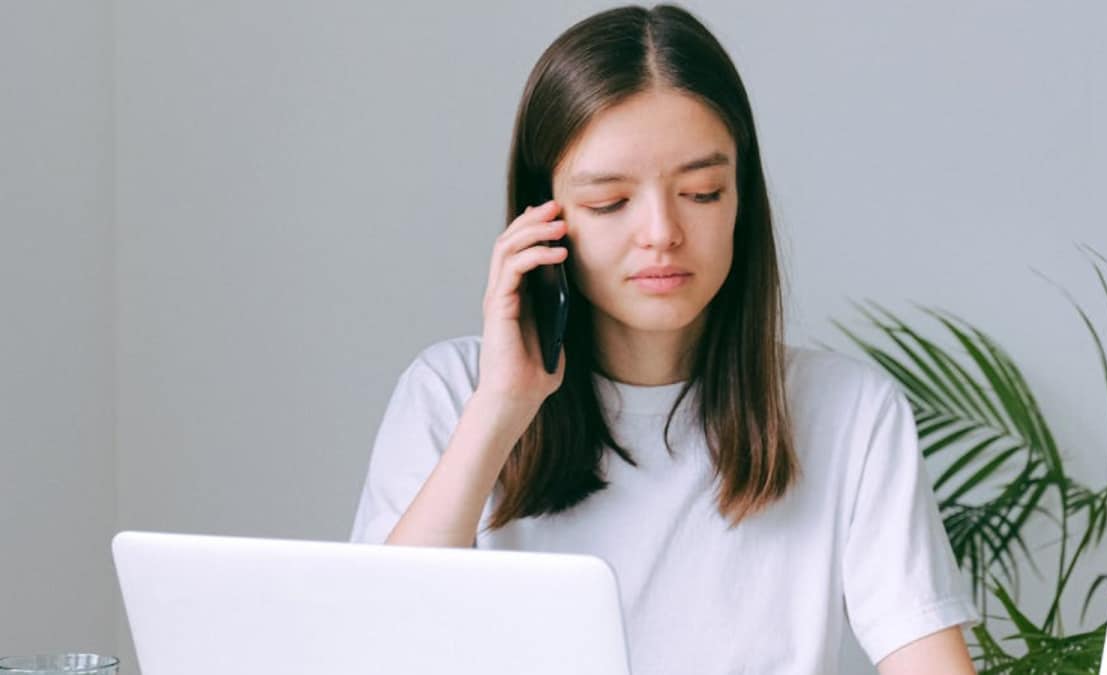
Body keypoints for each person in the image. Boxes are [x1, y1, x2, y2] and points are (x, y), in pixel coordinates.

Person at [350, 5, 979, 673]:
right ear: (542, 219)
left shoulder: (850, 413)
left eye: (702, 192)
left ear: (742, 199)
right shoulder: (449, 395)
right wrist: (499, 410)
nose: (661, 232)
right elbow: (376, 649)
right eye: (609, 202)